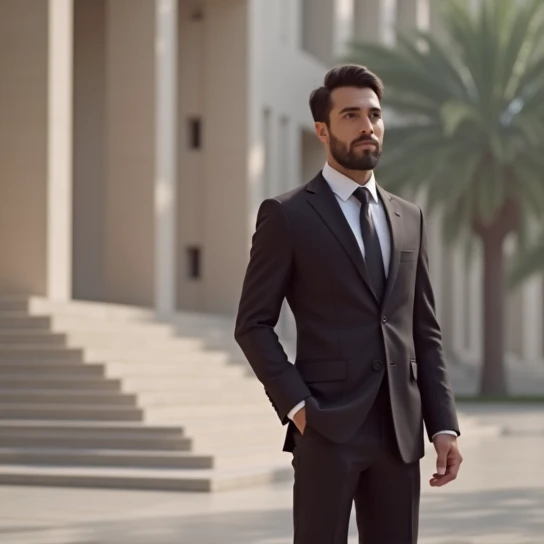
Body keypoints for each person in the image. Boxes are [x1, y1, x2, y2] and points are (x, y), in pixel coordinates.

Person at [234, 64, 463, 544]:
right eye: (351, 115)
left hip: (400, 432)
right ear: (322, 130)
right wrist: (298, 408)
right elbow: (253, 324)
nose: (367, 127)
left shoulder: (409, 217)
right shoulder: (288, 215)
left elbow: (425, 330)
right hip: (327, 427)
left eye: (375, 115)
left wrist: (443, 426)